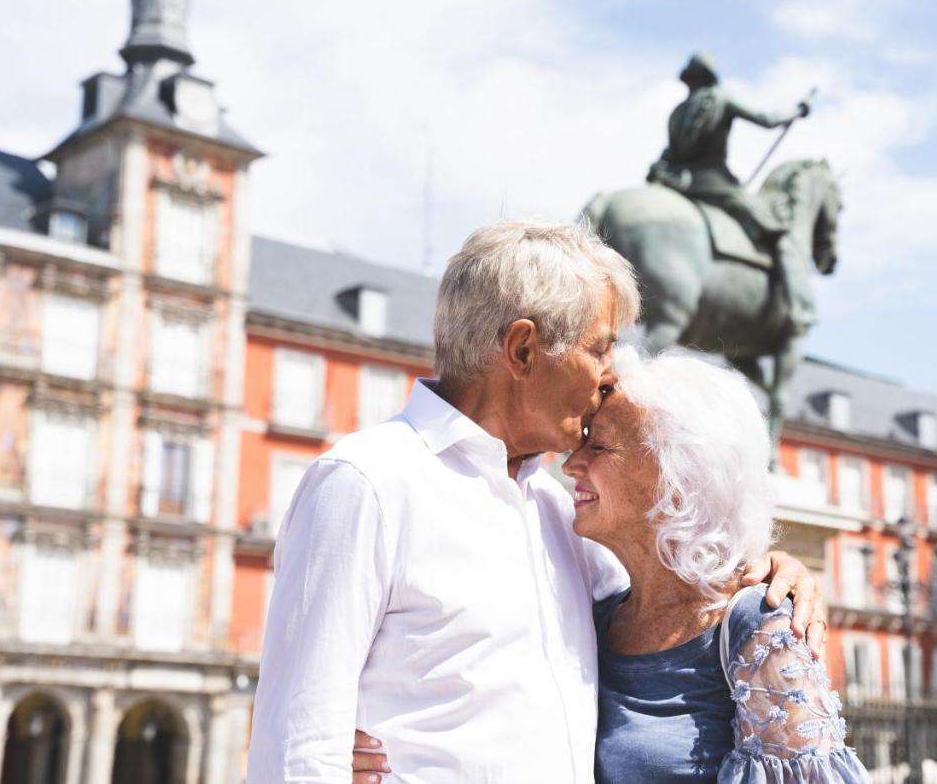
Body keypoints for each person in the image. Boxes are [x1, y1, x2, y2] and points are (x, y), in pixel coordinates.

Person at [248, 220, 825, 783]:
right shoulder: (366, 483)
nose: (609, 376)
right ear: (523, 349)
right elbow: (301, 740)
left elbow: (670, 600)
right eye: (600, 349)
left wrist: (770, 570)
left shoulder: (561, 513)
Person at [563, 348, 869, 783]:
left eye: (598, 447)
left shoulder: (757, 624)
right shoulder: (595, 615)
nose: (571, 463)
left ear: (675, 475)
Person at [648, 52, 815, 332]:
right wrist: (799, 109)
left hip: (680, 184)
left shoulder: (677, 113)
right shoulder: (721, 98)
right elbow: (768, 119)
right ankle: (801, 308)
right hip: (714, 184)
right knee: (779, 233)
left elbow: (672, 153)